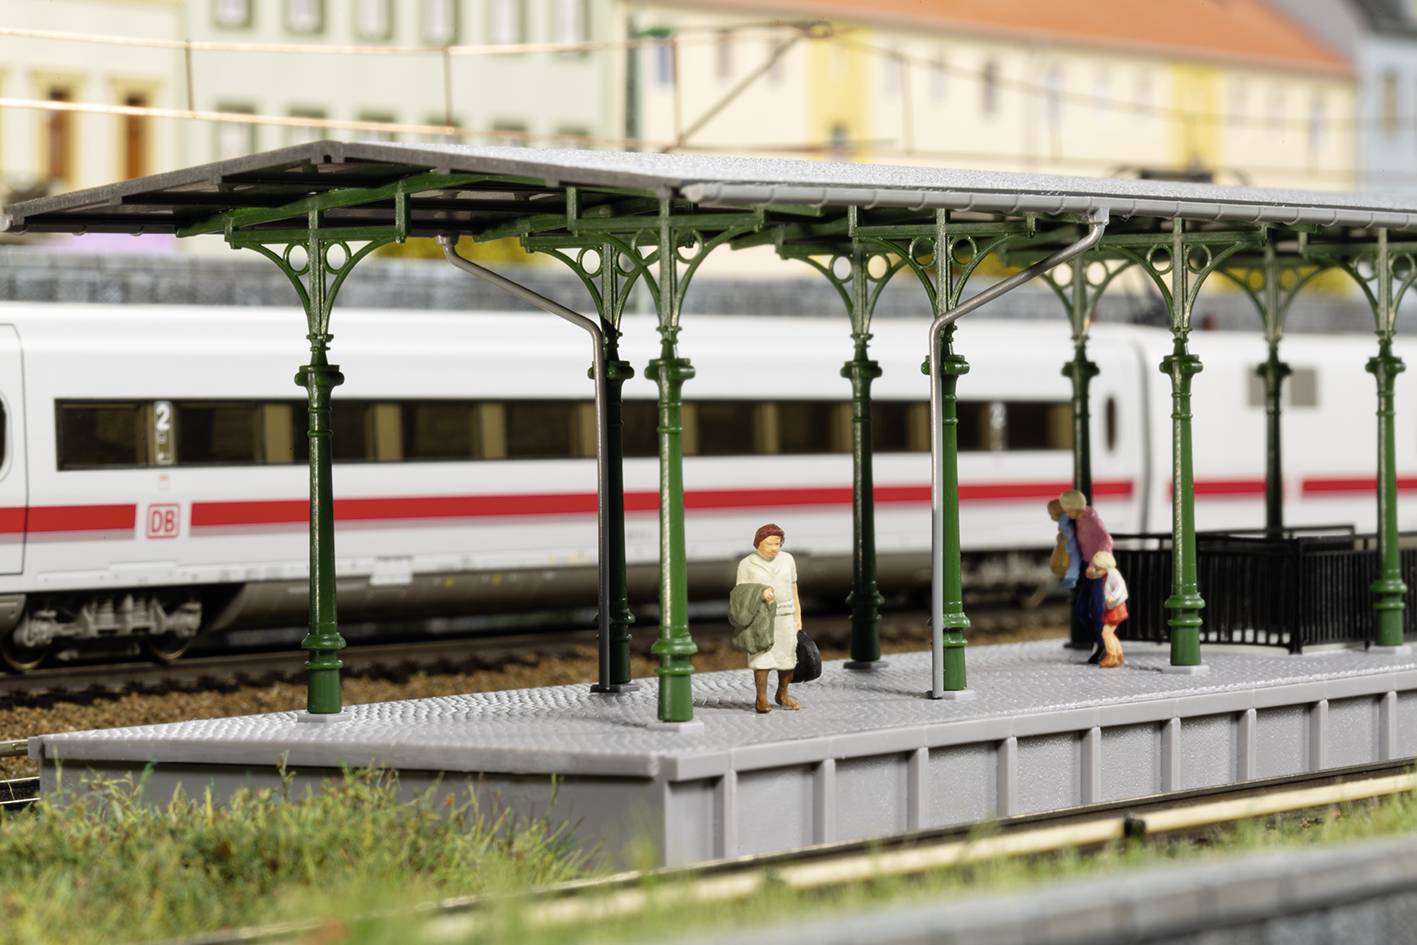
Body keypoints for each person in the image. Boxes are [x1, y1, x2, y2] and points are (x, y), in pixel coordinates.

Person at [735, 523, 801, 714]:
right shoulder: (747, 564)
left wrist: (798, 615)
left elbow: (794, 588)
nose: (774, 548)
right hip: (760, 618)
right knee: (761, 660)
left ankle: (783, 693)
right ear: (758, 544)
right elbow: (739, 592)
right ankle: (761, 699)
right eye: (770, 544)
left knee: (788, 659)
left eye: (778, 544)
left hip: (785, 615)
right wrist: (759, 593)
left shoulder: (788, 560)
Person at [1059, 490, 1112, 664]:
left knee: (1097, 609)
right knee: (1081, 610)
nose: (1066, 512)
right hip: (1087, 568)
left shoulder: (1091, 519)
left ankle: (1105, 646)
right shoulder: (1078, 519)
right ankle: (1100, 642)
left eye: (1067, 508)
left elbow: (1106, 540)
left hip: (1096, 569)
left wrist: (1097, 563)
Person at [1089, 550, 1128, 668]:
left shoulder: (1114, 574)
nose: (1096, 571)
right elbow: (1095, 574)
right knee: (1110, 633)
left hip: (1116, 608)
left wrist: (1113, 597)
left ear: (1105, 566)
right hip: (1111, 608)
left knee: (1106, 633)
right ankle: (1119, 654)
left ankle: (1111, 657)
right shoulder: (1106, 573)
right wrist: (1091, 573)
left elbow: (1121, 586)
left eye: (1098, 568)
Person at [1047, 498, 1080, 590]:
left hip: (1070, 546)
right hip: (1070, 545)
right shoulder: (1066, 518)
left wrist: (1062, 539)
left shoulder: (1063, 520)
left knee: (1072, 562)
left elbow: (1068, 533)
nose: (1051, 517)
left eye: (1051, 513)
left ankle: (1071, 579)